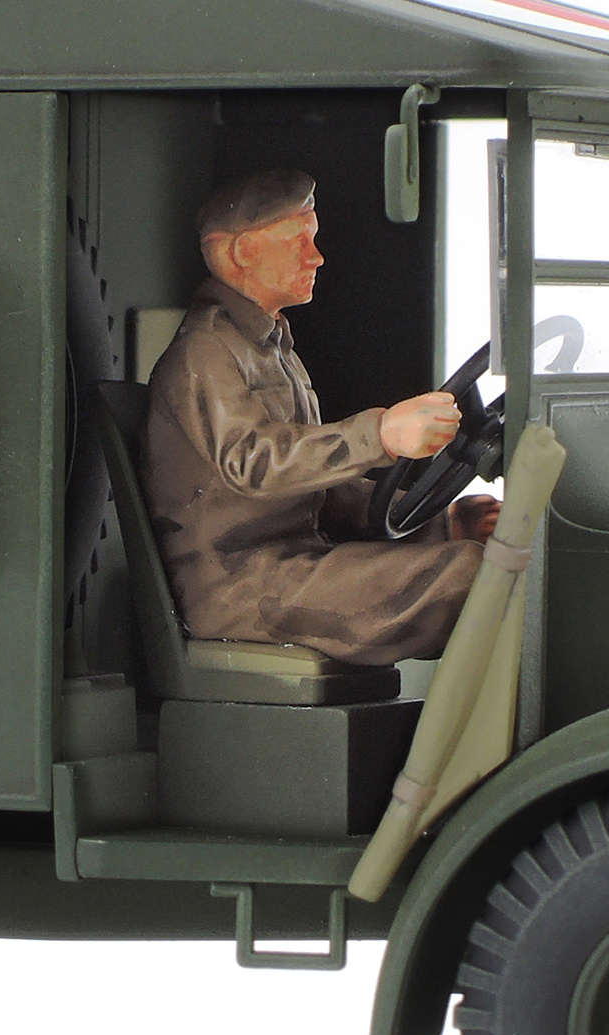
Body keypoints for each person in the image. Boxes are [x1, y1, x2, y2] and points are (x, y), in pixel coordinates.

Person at [140, 169, 499, 666]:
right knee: (473, 575)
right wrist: (381, 436)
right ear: (243, 254)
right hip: (240, 588)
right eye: (299, 242)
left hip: (290, 566)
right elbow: (255, 464)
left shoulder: (273, 350)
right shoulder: (206, 352)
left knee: (479, 562)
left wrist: (443, 521)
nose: (316, 256)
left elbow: (318, 490)